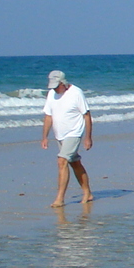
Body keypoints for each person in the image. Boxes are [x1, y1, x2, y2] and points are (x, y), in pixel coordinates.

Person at [40, 70, 94, 206]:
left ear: (63, 83)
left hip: (74, 133)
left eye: (56, 86)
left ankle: (60, 198)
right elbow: (48, 116)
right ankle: (87, 192)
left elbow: (86, 115)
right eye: (52, 86)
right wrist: (45, 137)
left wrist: (88, 137)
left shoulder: (76, 93)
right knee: (74, 163)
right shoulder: (52, 94)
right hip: (60, 135)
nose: (54, 89)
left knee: (61, 161)